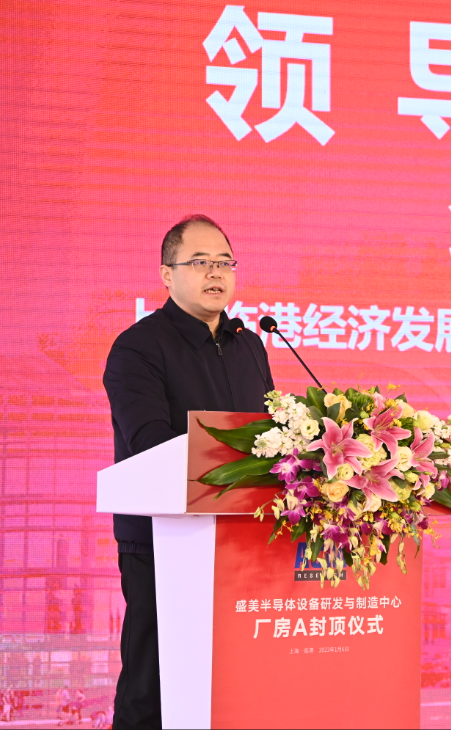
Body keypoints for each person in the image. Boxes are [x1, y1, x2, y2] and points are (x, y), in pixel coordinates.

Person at [104, 216, 273, 729]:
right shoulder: (138, 347)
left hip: (243, 541)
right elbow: (149, 445)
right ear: (166, 274)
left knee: (232, 683)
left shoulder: (249, 345)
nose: (215, 272)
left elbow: (272, 437)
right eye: (200, 262)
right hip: (162, 543)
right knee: (152, 684)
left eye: (224, 262)